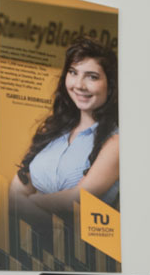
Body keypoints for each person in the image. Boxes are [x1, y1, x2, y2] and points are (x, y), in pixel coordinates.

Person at [8, 38, 120, 225]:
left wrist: (31, 204)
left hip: (80, 250)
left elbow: (75, 201)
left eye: (92, 77)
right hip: (31, 248)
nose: (79, 85)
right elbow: (16, 190)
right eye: (73, 73)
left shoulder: (115, 142)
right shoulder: (53, 131)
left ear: (110, 86)